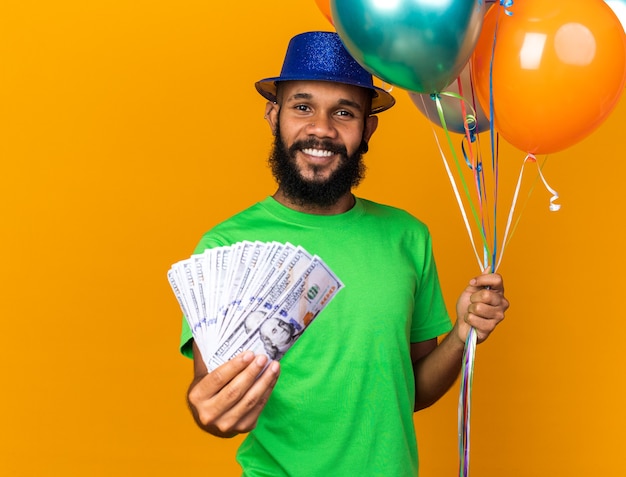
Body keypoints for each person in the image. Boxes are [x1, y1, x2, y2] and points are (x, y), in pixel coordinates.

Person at [179, 31, 509, 477]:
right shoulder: (225, 247)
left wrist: (462, 333)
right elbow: (215, 401)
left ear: (368, 127)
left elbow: (408, 391)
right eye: (302, 107)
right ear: (273, 115)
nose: (321, 128)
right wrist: (208, 411)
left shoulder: (407, 237)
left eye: (344, 112)